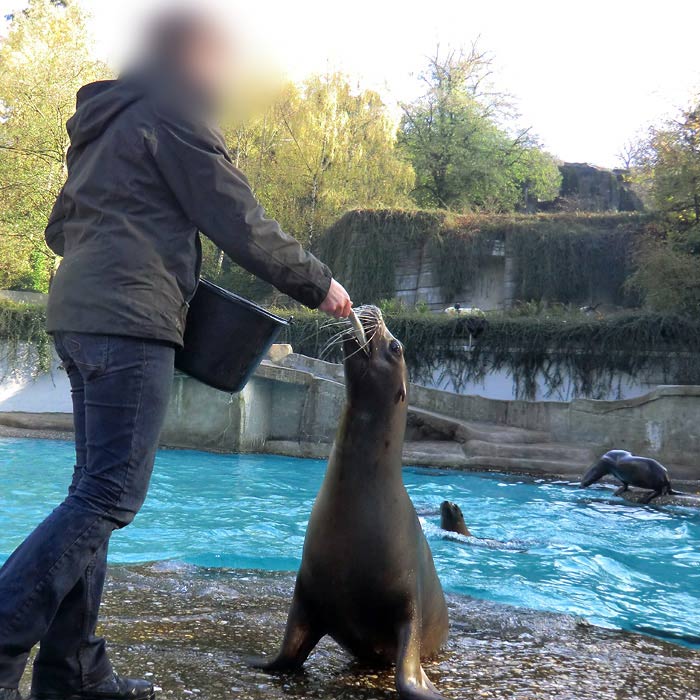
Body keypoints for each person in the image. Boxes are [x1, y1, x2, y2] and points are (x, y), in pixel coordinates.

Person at [0, 9, 352, 700]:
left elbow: (57, 227)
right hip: (129, 320)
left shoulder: (105, 123)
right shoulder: (173, 112)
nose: (223, 71)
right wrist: (321, 284)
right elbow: (236, 214)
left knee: (91, 493)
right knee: (108, 496)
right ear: (188, 55)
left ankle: (72, 670)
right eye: (217, 56)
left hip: (81, 314)